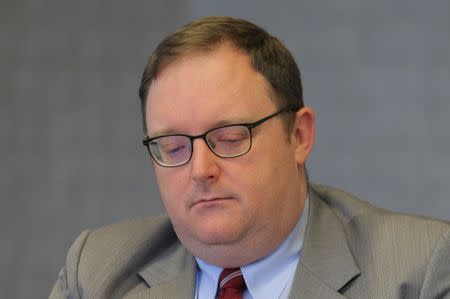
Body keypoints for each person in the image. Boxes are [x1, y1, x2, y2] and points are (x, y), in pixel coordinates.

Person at [49, 16, 450, 299]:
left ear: (299, 135)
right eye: (173, 147)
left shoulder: (420, 271)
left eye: (229, 138)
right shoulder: (97, 274)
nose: (200, 170)